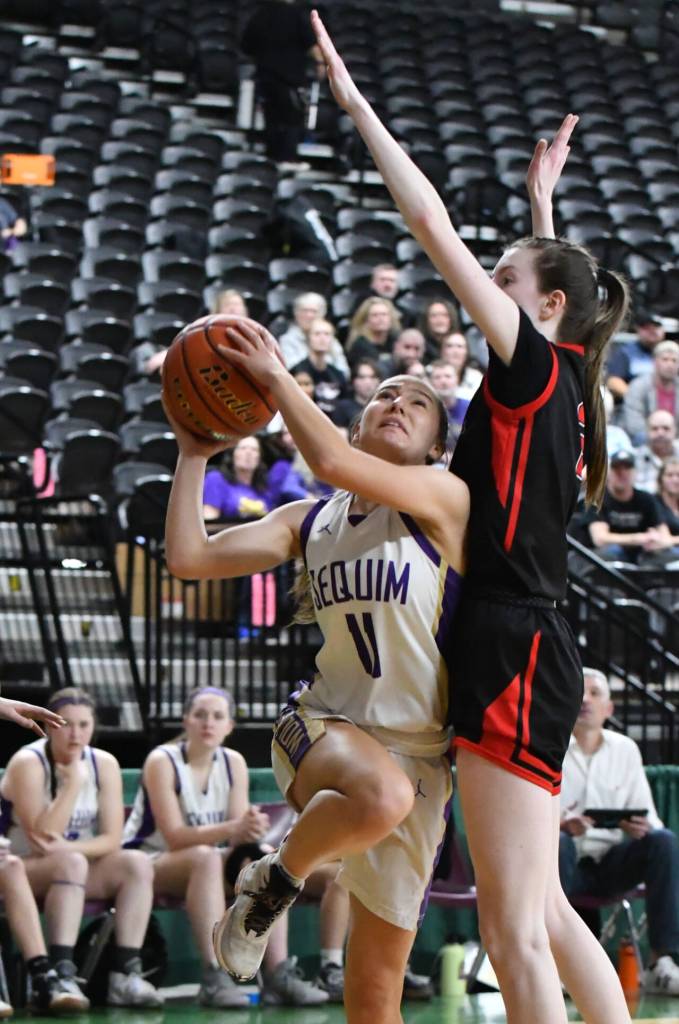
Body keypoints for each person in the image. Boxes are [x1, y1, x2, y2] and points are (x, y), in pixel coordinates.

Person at [310, 15, 632, 1022]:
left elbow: (430, 229)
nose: (484, 294)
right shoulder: (567, 376)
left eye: (504, 285)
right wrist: (543, 209)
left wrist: (355, 104)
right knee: (540, 906)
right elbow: (558, 299)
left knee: (510, 928)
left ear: (538, 314)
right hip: (529, 636)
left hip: (509, 639)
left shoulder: (534, 363)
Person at [162, 319, 468, 1024]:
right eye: (384, 394)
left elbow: (327, 456)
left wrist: (275, 379)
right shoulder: (311, 519)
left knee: (371, 996)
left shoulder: (442, 499)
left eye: (416, 403)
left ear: (435, 447)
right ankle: (274, 881)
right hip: (322, 726)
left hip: (422, 753)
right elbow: (188, 559)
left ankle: (276, 873)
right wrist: (190, 454)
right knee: (379, 796)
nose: (395, 402)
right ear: (357, 423)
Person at [122, 686, 329, 1007]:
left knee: (268, 863)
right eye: (200, 715)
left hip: (204, 862)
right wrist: (235, 827)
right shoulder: (161, 761)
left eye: (218, 716)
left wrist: (250, 829)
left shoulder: (232, 762)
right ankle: (213, 974)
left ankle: (278, 974)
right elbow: (175, 836)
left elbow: (237, 838)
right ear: (185, 721)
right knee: (205, 859)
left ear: (229, 726)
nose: (208, 722)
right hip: (148, 861)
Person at [0, 688, 163, 1009]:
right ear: (47, 727)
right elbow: (43, 838)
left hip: (71, 868)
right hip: (21, 866)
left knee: (135, 864)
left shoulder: (104, 764)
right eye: (65, 724)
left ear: (94, 727)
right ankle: (61, 972)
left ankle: (124, 973)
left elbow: (112, 839)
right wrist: (72, 785)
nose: (75, 734)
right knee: (70, 862)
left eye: (84, 725)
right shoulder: (28, 762)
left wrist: (73, 849)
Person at [559, 667, 679, 995]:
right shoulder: (551, 746)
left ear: (608, 709)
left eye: (595, 693)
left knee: (663, 842)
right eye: (579, 692)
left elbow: (652, 820)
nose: (585, 699)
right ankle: (556, 965)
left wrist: (639, 826)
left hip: (611, 862)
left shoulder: (626, 749)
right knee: (557, 843)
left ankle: (661, 963)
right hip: (564, 861)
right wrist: (563, 823)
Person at [240, 0, 325, 170]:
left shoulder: (260, 14)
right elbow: (311, 44)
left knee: (271, 117)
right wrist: (321, 64)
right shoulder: (297, 15)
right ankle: (287, 158)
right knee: (292, 118)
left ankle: (271, 158)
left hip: (265, 74)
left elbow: (246, 45)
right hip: (289, 77)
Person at [588, 449, 670, 564]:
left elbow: (664, 537)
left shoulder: (646, 499)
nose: (622, 473)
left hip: (643, 557)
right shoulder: (598, 499)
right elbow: (600, 539)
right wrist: (640, 538)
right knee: (613, 551)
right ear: (609, 472)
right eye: (617, 468)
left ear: (635, 472)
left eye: (627, 468)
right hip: (609, 561)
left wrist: (656, 541)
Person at [203, 435, 271, 522]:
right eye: (243, 448)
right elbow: (210, 521)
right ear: (233, 454)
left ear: (259, 458)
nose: (248, 453)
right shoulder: (216, 479)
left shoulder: (263, 489)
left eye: (254, 450)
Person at [623, 340, 679, 445]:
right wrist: (658, 438)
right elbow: (634, 424)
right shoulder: (638, 385)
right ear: (655, 362)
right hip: (645, 441)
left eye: (674, 360)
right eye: (665, 359)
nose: (670, 364)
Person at [279, 292, 349, 376]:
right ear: (296, 314)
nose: (309, 315)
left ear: (322, 315)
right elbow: (291, 370)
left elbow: (344, 372)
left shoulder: (331, 340)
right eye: (304, 311)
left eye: (314, 311)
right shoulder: (288, 340)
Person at [289, 317, 348, 417]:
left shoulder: (338, 375)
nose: (322, 338)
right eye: (317, 334)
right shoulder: (296, 371)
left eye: (327, 334)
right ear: (308, 338)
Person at [606, 310, 666, 403]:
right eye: (646, 327)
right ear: (637, 329)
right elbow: (613, 382)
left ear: (663, 330)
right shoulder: (626, 352)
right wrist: (637, 398)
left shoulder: (671, 352)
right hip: (634, 405)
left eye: (656, 326)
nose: (652, 330)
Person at [346, 296, 401, 368]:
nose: (381, 319)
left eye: (384, 314)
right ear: (365, 320)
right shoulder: (360, 346)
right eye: (375, 315)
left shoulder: (395, 341)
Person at [633, 409, 679, 493]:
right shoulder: (634, 458)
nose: (660, 433)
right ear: (646, 432)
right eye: (654, 429)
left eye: (666, 428)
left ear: (675, 431)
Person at [330, 358, 381, 429]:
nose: (368, 382)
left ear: (379, 381)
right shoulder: (342, 407)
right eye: (362, 377)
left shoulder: (384, 408)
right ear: (353, 381)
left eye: (372, 377)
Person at [428, 361, 470, 445]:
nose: (443, 381)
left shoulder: (470, 407)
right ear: (430, 382)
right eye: (437, 377)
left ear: (457, 380)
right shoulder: (425, 411)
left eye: (448, 376)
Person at [439, 332, 483, 401]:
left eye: (459, 346)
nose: (455, 351)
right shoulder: (430, 372)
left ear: (467, 352)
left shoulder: (476, 377)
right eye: (450, 346)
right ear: (442, 351)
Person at [417, 299, 461, 364]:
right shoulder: (419, 347)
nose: (440, 320)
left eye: (444, 315)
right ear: (426, 320)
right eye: (434, 316)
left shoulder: (460, 343)